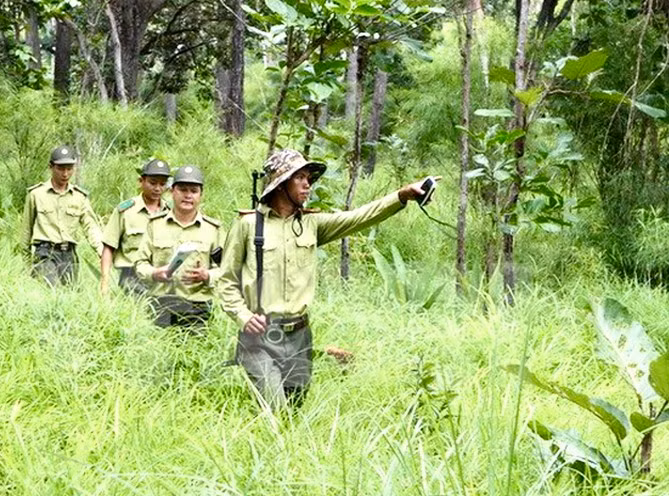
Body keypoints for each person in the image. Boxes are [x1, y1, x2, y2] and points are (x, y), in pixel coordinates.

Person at [217, 148, 440, 409]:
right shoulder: (247, 225)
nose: (307, 183)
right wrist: (243, 316)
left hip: (299, 336)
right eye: (299, 177)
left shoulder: (312, 224)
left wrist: (401, 196)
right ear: (280, 184)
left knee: (293, 410)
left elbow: (358, 218)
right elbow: (226, 280)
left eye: (308, 178)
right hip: (259, 338)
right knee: (275, 408)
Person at [134, 166, 225, 328]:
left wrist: (207, 275)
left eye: (193, 191)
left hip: (198, 305)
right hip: (160, 303)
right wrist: (155, 273)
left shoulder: (213, 229)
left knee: (196, 351)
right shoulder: (155, 225)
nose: (188, 195)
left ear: (201, 195)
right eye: (182, 190)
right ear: (172, 191)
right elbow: (140, 264)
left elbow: (227, 270)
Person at [21, 145, 103, 286]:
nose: (65, 174)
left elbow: (90, 226)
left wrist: (102, 251)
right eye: (60, 168)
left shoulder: (79, 197)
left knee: (69, 295)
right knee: (52, 289)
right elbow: (26, 230)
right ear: (51, 167)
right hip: (45, 254)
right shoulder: (36, 194)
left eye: (69, 168)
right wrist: (26, 262)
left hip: (69, 255)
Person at [100, 159, 171, 295]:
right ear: (141, 181)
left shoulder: (170, 213)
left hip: (160, 277)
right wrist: (104, 283)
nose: (157, 188)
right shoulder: (125, 211)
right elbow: (109, 247)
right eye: (153, 183)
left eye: (162, 184)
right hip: (131, 278)